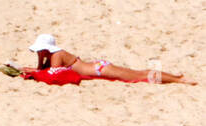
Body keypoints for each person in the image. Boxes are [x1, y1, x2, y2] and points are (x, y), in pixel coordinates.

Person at [21, 33, 194, 84]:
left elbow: (52, 74)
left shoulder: (57, 55)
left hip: (100, 69)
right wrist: (34, 69)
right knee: (138, 74)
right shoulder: (48, 55)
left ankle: (178, 80)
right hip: (99, 67)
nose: (39, 53)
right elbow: (42, 70)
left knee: (139, 75)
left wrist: (33, 73)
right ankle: (176, 78)